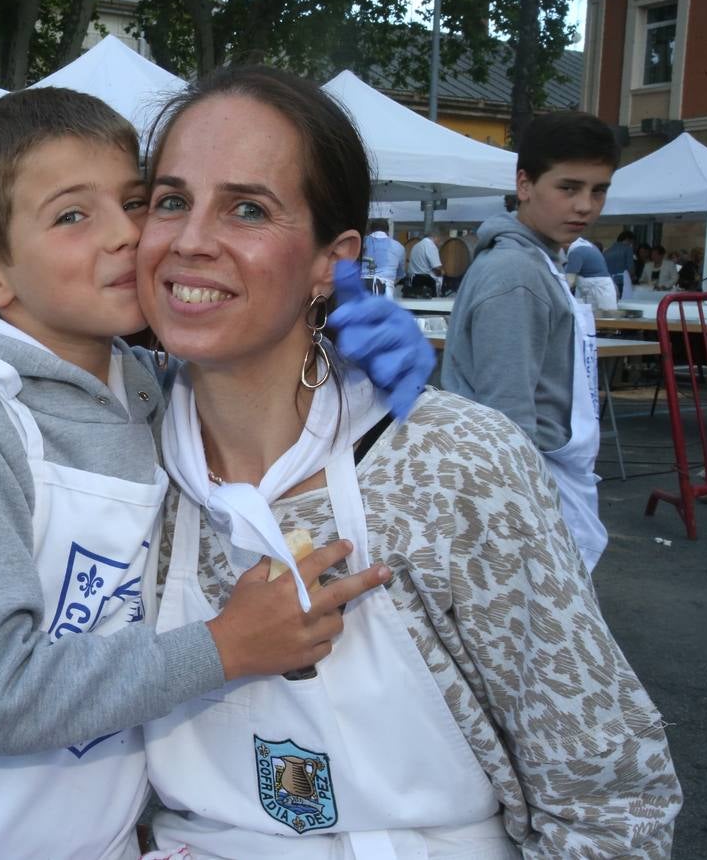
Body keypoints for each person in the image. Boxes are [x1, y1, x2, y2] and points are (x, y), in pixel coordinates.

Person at [0, 87, 423, 860]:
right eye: (74, 216)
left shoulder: (147, 393)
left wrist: (339, 344)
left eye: (137, 202)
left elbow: (260, 368)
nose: (127, 236)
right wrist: (224, 647)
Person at [137, 68, 677, 858]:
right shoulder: (118, 463)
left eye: (248, 208)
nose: (190, 240)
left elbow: (608, 799)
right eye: (171, 200)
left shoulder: (455, 465)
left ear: (333, 261)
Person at [442, 111, 619, 573]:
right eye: (569, 187)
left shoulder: (539, 262)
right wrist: (524, 529)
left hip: (550, 476)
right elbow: (508, 422)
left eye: (598, 190)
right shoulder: (516, 274)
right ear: (525, 184)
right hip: (529, 489)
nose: (585, 205)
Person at [566, 236, 618, 312]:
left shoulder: (576, 252)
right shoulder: (590, 247)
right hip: (603, 289)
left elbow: (569, 281)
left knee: (602, 319)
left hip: (598, 292)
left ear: (566, 244)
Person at [359, 218, 404, 296]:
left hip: (361, 287)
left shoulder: (362, 242)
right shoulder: (398, 246)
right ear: (387, 231)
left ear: (370, 229)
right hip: (385, 289)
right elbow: (400, 274)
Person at [405, 228, 442, 296]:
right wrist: (442, 273)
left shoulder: (416, 245)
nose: (439, 242)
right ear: (436, 237)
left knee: (417, 304)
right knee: (431, 304)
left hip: (415, 279)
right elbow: (437, 267)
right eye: (439, 240)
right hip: (427, 281)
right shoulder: (431, 246)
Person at [603, 229, 635, 296]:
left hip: (609, 281)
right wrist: (633, 277)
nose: (631, 244)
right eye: (631, 242)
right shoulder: (628, 249)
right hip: (622, 281)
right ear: (628, 239)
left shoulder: (607, 251)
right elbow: (630, 267)